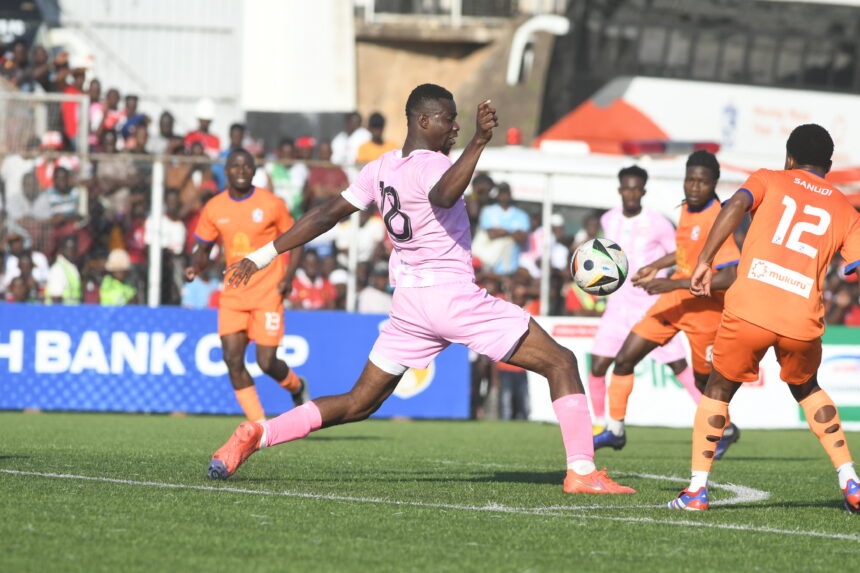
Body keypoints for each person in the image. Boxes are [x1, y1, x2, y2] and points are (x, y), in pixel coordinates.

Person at [209, 83, 635, 495]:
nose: (453, 127)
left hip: (411, 304)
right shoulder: (433, 164)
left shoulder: (381, 168)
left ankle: (258, 432)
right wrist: (479, 141)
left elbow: (324, 215)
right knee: (561, 362)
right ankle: (581, 471)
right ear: (424, 119)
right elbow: (445, 195)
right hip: (451, 296)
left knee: (359, 402)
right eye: (448, 120)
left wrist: (263, 254)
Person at [669, 124, 860, 513]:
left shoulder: (768, 179)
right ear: (828, 164)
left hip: (750, 308)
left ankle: (696, 491)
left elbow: (734, 206)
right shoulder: (845, 207)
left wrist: (704, 261)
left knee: (718, 390)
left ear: (789, 158)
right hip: (801, 320)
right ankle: (850, 480)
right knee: (808, 389)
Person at [593, 152, 741, 456]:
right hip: (673, 302)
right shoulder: (687, 207)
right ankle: (615, 430)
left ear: (714, 183)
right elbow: (686, 253)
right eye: (690, 179)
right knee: (624, 359)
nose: (694, 187)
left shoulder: (719, 218)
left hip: (705, 311)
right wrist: (655, 265)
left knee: (703, 382)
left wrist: (671, 282)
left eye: (702, 182)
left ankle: (726, 427)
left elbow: (729, 275)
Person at [185, 149, 310, 423]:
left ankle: (296, 386)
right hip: (233, 295)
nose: (241, 171)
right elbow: (203, 250)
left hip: (268, 292)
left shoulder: (271, 204)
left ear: (254, 171)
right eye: (235, 166)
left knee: (266, 362)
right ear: (226, 171)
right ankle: (259, 425)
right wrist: (196, 266)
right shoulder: (215, 207)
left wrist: (288, 277)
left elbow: (297, 239)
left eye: (246, 167)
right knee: (232, 359)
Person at [587, 166, 691, 430]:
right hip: (617, 306)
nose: (631, 193)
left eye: (636, 188)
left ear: (643, 191)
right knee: (598, 365)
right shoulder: (608, 219)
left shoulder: (659, 222)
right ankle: (600, 425)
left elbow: (681, 255)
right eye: (626, 188)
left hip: (649, 305)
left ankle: (721, 424)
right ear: (619, 189)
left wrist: (666, 282)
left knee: (678, 365)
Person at [475, 183, 530, 275]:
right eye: (501, 193)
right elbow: (491, 235)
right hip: (489, 267)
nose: (504, 196)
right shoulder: (488, 211)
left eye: (506, 193)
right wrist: (513, 233)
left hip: (511, 268)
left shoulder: (521, 215)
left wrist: (502, 232)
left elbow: (522, 238)